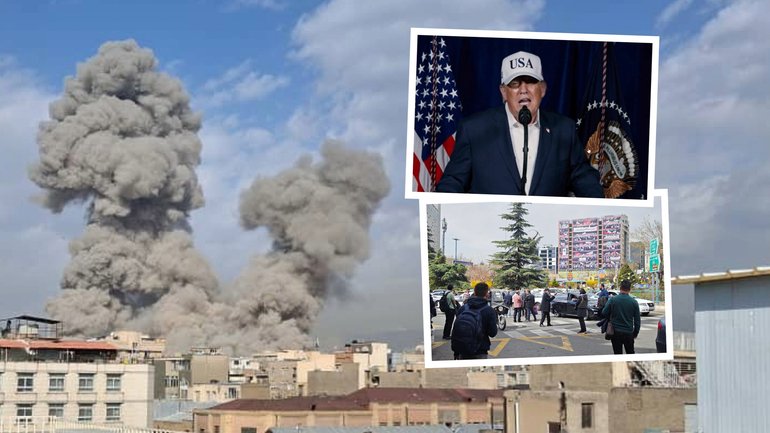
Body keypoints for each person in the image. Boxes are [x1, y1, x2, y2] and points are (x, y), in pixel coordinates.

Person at [436, 51, 603, 197]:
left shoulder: (564, 129)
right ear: (503, 92)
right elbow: (453, 182)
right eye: (515, 83)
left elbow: (584, 179)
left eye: (530, 81)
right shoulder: (474, 129)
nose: (523, 89)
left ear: (542, 89)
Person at [451, 282, 498, 359]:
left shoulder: (464, 308)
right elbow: (492, 333)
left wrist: (456, 351)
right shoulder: (489, 310)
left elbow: (456, 329)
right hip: (480, 350)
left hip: (462, 350)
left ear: (474, 292)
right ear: (487, 294)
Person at [602, 280, 641, 354]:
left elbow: (604, 312)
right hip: (628, 332)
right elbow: (637, 321)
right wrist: (635, 333)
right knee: (630, 353)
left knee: (617, 353)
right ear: (629, 289)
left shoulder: (613, 300)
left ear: (620, 288)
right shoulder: (634, 302)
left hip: (615, 332)